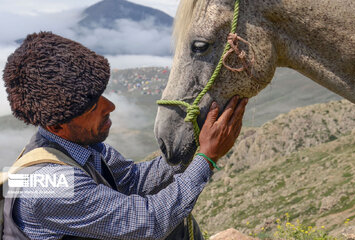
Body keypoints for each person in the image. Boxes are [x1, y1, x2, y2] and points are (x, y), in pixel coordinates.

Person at [2, 32, 248, 239]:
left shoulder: (82, 146)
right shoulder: (52, 186)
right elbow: (150, 220)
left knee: (179, 228)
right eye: (92, 108)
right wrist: (207, 157)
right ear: (56, 127)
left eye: (101, 96)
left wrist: (194, 142)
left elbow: (133, 181)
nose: (110, 106)